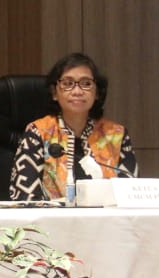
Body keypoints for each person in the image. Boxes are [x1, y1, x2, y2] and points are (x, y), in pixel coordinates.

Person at [9, 52, 137, 202]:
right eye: (68, 84)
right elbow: (25, 198)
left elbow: (131, 197)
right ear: (54, 93)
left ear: (97, 93)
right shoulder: (38, 133)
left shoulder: (116, 135)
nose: (77, 91)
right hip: (52, 217)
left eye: (86, 84)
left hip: (106, 217)